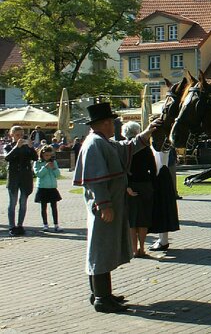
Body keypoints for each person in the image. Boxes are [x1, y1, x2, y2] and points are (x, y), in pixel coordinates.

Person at [73, 102, 161, 313]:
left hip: (110, 204)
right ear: (103, 123)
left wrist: (147, 132)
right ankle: (101, 298)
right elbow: (95, 180)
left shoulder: (103, 141)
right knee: (101, 249)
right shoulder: (94, 144)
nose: (114, 125)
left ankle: (103, 294)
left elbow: (126, 149)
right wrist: (105, 205)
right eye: (112, 122)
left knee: (104, 248)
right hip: (104, 207)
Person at [122, 122, 156, 258]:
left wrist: (127, 185)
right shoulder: (146, 148)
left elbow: (122, 168)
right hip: (145, 185)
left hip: (130, 186)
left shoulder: (124, 149)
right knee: (143, 219)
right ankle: (142, 248)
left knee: (132, 220)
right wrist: (151, 184)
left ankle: (134, 249)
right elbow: (153, 168)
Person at [4, 125, 38, 236]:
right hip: (14, 177)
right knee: (12, 203)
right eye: (17, 135)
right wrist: (16, 148)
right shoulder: (8, 146)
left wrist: (31, 147)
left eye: (21, 135)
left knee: (23, 203)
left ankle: (20, 225)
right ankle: (12, 226)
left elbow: (35, 158)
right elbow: (7, 158)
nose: (19, 137)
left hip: (25, 177)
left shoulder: (27, 147)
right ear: (12, 135)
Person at [148, 146, 180, 252]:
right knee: (162, 209)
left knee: (161, 209)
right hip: (162, 176)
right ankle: (162, 239)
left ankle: (163, 240)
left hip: (160, 177)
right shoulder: (160, 147)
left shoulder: (159, 146)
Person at [34, 146, 62, 232]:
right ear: (42, 154)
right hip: (42, 187)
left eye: (50, 155)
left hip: (52, 187)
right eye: (46, 155)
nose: (48, 157)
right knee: (43, 207)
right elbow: (38, 174)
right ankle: (45, 224)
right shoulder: (38, 163)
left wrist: (53, 168)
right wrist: (45, 167)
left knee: (54, 207)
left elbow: (57, 175)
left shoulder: (54, 162)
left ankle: (56, 224)